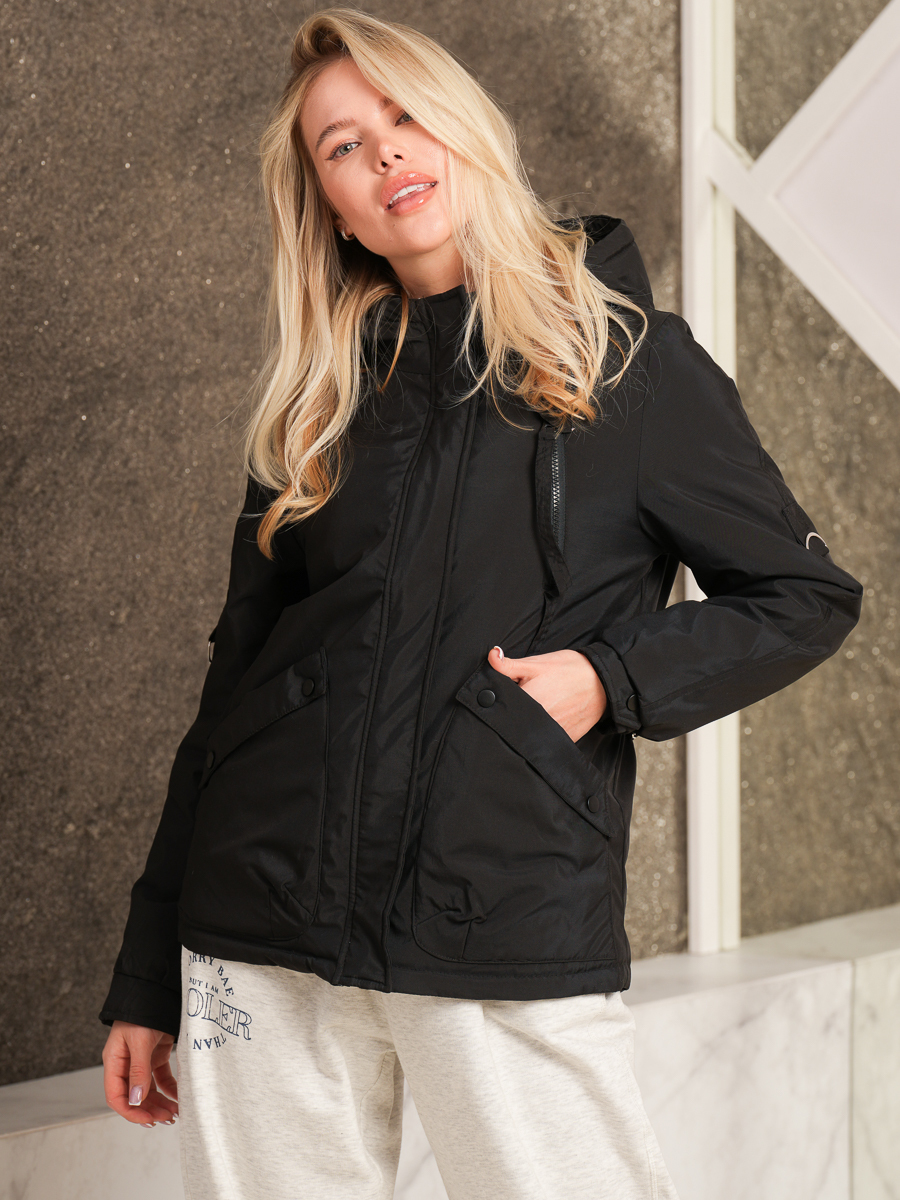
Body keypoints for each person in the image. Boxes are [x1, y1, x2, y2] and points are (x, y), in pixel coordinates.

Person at [99, 9, 862, 1199]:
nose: (386, 153)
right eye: (343, 146)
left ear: (467, 129)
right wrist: (149, 974)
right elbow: (234, 685)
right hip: (260, 922)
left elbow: (804, 596)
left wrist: (607, 677)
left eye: (406, 116)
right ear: (330, 206)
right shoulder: (317, 400)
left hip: (499, 914)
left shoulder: (629, 364)